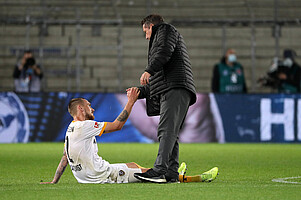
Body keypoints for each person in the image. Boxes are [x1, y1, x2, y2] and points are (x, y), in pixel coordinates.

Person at [40, 89, 218, 184]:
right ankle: (195, 178)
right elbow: (118, 125)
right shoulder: (84, 126)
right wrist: (131, 101)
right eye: (88, 105)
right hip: (103, 176)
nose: (92, 108)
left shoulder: (70, 130)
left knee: (134, 165)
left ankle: (171, 172)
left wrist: (54, 181)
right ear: (80, 109)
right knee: (148, 174)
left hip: (89, 176)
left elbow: (65, 157)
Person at [131, 14, 197, 184]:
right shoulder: (163, 49)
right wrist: (140, 91)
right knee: (171, 133)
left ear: (151, 26)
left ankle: (159, 170)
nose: (146, 37)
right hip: (176, 87)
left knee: (166, 130)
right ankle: (171, 173)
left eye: (145, 32)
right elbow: (159, 82)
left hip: (176, 88)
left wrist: (149, 70)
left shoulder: (165, 30)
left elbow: (164, 51)